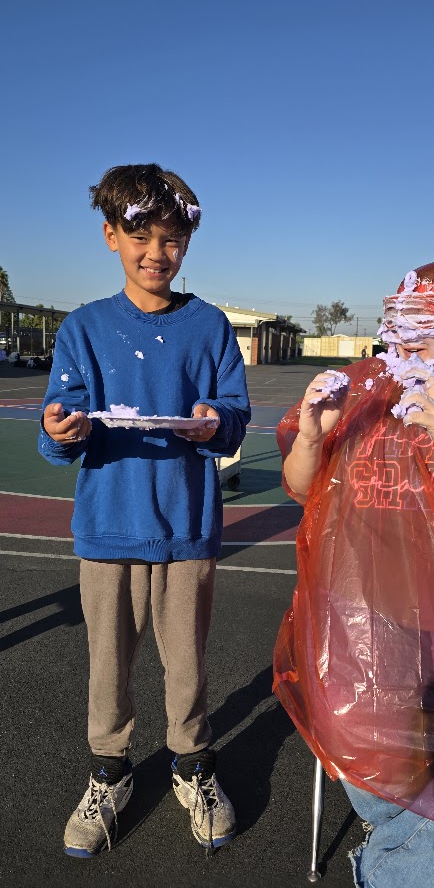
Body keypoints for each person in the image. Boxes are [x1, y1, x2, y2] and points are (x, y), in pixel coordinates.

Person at [273, 259, 434, 887]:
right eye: (396, 327)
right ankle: (396, 838)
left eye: (423, 326)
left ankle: (390, 870)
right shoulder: (363, 388)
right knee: (378, 764)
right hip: (370, 619)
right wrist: (311, 438)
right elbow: (303, 488)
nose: (405, 343)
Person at [39, 163, 250, 858]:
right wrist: (59, 429)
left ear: (186, 244)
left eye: (172, 239)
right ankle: (109, 770)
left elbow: (232, 414)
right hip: (106, 529)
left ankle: (192, 763)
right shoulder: (84, 327)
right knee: (108, 664)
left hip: (188, 528)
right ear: (109, 236)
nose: (157, 252)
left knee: (186, 664)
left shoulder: (211, 325)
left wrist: (210, 421)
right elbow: (58, 427)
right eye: (141, 236)